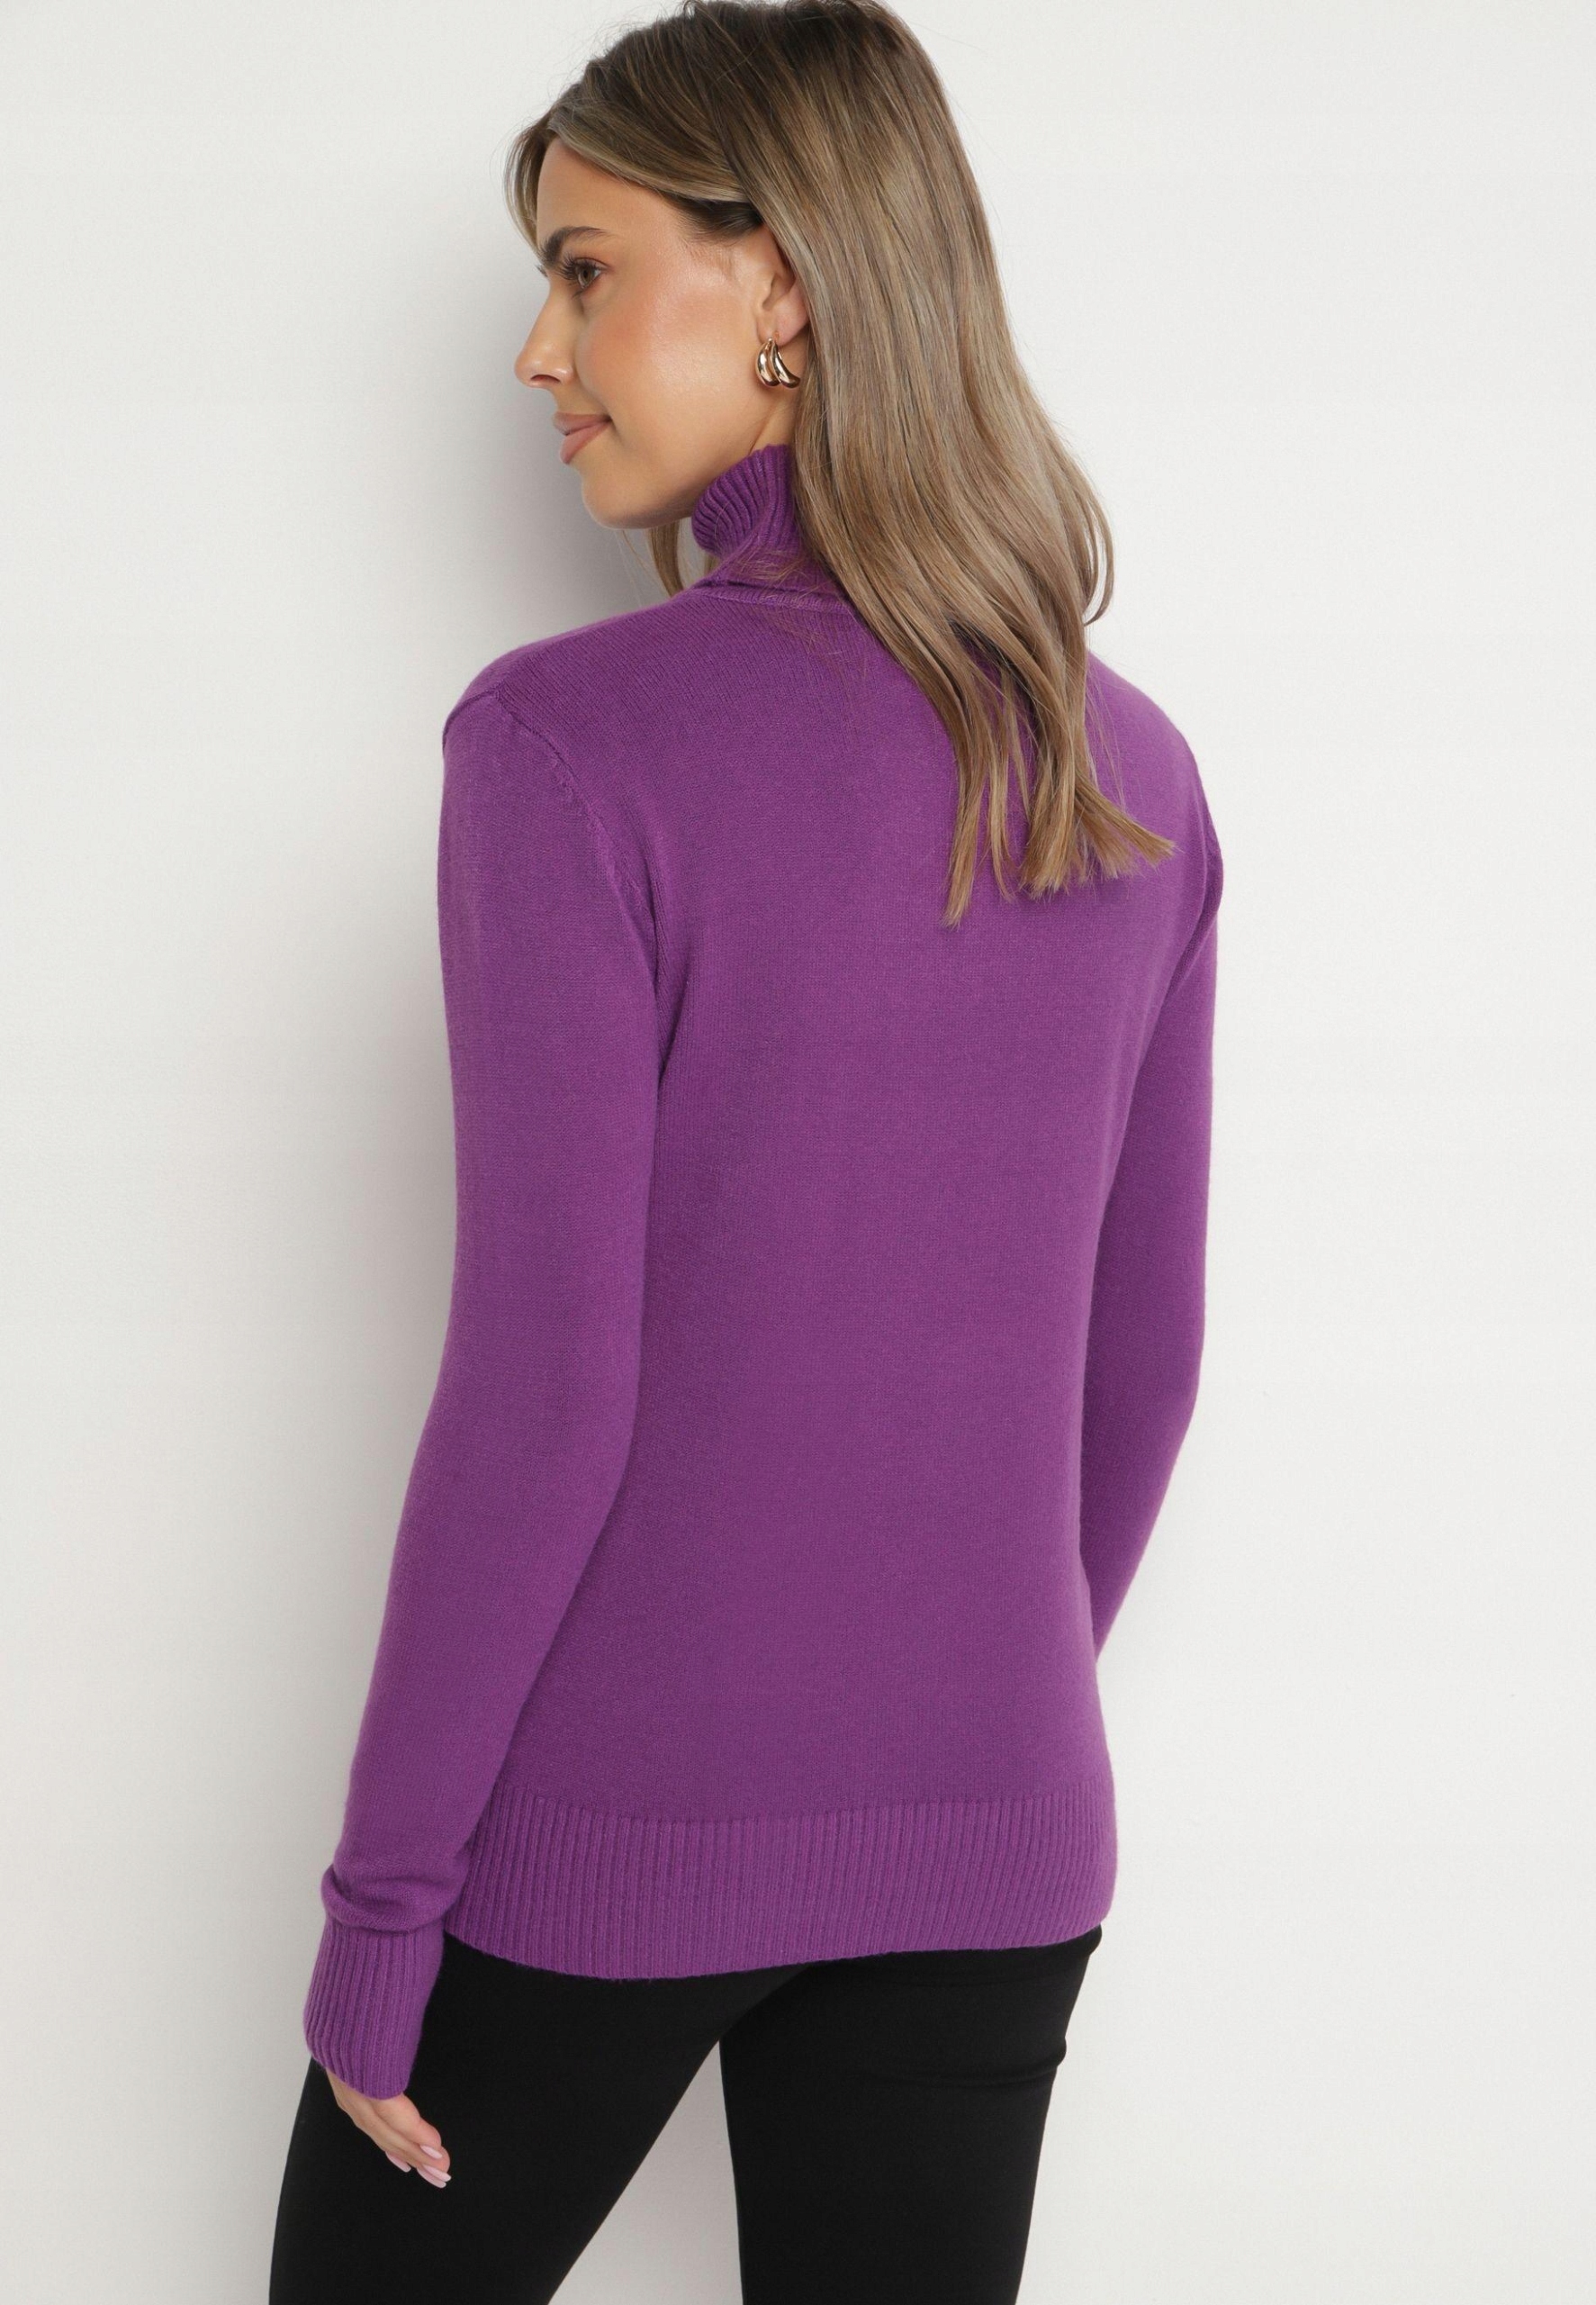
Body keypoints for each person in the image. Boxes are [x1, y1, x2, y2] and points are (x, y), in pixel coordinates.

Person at [269, 2, 1222, 2298]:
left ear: (780, 277)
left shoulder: (565, 749)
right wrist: (946, 1731)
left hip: (607, 1828)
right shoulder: (1130, 773)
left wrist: (385, 1902)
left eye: (586, 270)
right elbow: (1142, 1363)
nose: (537, 348)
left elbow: (543, 1386)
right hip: (998, 1842)